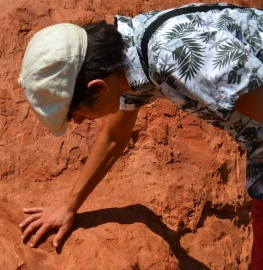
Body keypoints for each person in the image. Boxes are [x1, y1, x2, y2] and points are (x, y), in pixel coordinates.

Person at [17, 2, 263, 267]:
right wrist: (69, 205)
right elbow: (114, 136)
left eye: (75, 114)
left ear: (98, 88)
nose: (78, 122)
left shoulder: (173, 56)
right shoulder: (133, 54)